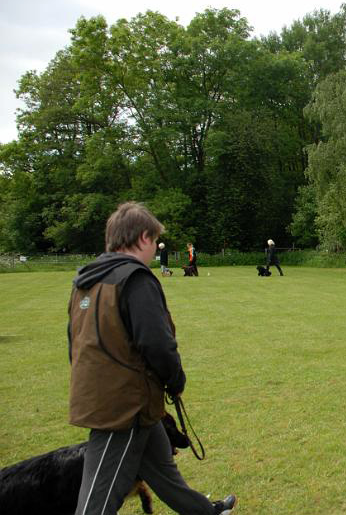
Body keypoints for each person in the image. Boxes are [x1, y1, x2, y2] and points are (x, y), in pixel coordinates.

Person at [67, 202, 236, 515]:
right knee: (98, 497)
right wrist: (175, 380)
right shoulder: (135, 279)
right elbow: (157, 343)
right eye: (154, 240)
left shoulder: (86, 281)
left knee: (162, 470)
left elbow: (73, 344)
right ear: (143, 237)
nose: (155, 250)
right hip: (123, 405)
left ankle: (207, 512)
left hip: (116, 398)